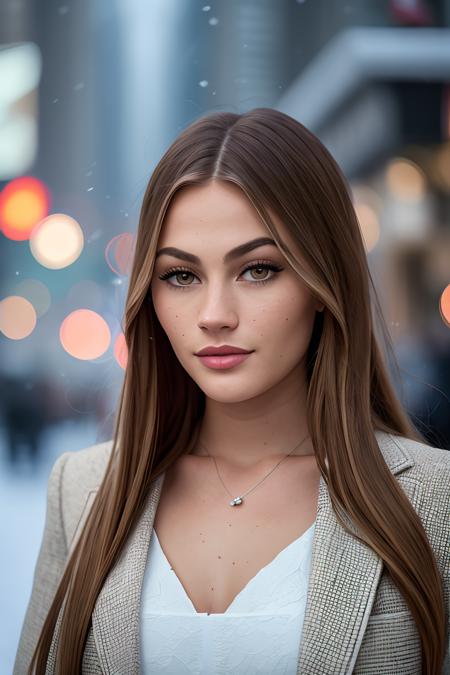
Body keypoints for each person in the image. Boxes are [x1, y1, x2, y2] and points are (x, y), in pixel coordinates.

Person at [13, 108, 449, 675]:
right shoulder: (82, 492)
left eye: (258, 269)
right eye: (181, 276)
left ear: (324, 282)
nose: (214, 315)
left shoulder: (435, 502)